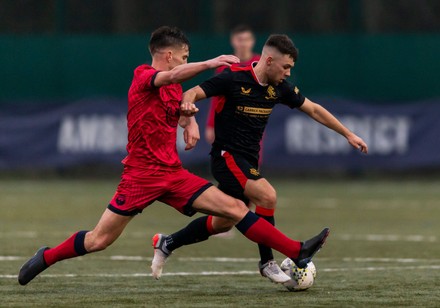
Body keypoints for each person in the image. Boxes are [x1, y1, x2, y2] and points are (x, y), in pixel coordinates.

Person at [18, 26, 329, 286]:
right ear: (169, 56)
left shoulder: (171, 89)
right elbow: (168, 79)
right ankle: (47, 256)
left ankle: (296, 250)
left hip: (172, 173)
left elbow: (181, 104)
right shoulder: (143, 76)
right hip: (140, 176)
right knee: (98, 241)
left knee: (234, 208)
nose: (184, 61)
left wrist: (189, 121)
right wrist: (212, 62)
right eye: (183, 56)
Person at [152, 34, 367, 284]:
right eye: (285, 67)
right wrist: (188, 116)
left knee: (223, 222)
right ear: (269, 61)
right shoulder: (233, 78)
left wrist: (348, 134)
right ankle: (267, 262)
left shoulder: (279, 88)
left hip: (249, 161)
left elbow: (314, 109)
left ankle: (167, 243)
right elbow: (190, 93)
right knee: (267, 195)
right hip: (226, 157)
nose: (288, 73)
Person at [205, 25, 261, 144]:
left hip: (252, 123)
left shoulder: (261, 64)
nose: (243, 44)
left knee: (251, 159)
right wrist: (211, 125)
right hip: (227, 123)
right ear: (233, 41)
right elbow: (216, 98)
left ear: (252, 41)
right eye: (240, 40)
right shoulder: (224, 66)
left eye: (247, 40)